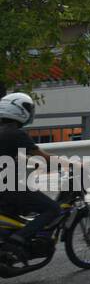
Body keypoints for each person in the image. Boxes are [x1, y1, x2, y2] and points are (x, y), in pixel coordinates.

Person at [0, 93, 69, 263]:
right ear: (19, 111)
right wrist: (71, 165)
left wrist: (35, 163)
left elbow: (16, 155)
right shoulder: (16, 133)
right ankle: (19, 239)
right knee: (53, 209)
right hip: (8, 186)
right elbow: (42, 156)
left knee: (24, 210)